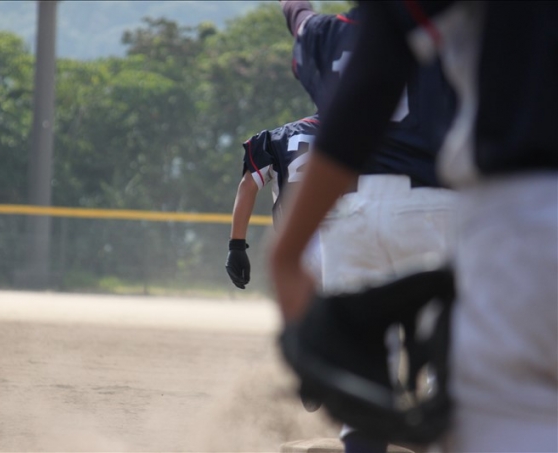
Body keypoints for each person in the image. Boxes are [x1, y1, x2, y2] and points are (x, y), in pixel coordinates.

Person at [270, 2, 558, 453]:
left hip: (364, 211)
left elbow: (366, 77)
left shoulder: (338, 31)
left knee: (371, 393)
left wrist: (286, 252)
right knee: (450, 380)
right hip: (443, 205)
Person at [279, 2, 457, 452]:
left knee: (364, 382)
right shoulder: (456, 25)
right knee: (450, 371)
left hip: (349, 215)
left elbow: (298, 17)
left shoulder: (328, 33)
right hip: (433, 206)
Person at [226, 115, 322, 291]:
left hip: (296, 244)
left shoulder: (278, 137)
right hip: (346, 238)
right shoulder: (357, 135)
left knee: (305, 306)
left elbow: (248, 185)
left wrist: (236, 245)